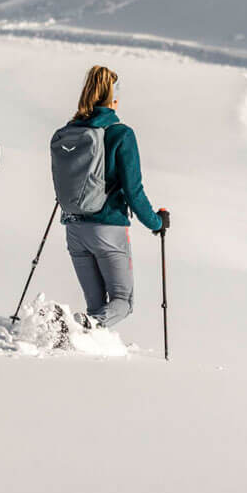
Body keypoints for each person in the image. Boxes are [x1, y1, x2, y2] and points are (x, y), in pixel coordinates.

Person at [60, 65, 167, 329]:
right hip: (108, 229)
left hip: (74, 229)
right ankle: (70, 330)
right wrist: (156, 223)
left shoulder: (71, 131)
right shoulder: (120, 133)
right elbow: (133, 191)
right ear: (114, 98)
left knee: (96, 309)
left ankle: (69, 331)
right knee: (122, 301)